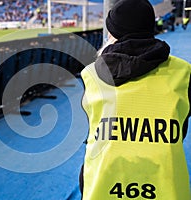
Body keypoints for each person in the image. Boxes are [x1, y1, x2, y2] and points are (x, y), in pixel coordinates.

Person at [79, 0, 191, 199]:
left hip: (103, 187)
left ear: (112, 33)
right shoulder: (184, 72)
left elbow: (93, 134)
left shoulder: (91, 75)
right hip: (166, 189)